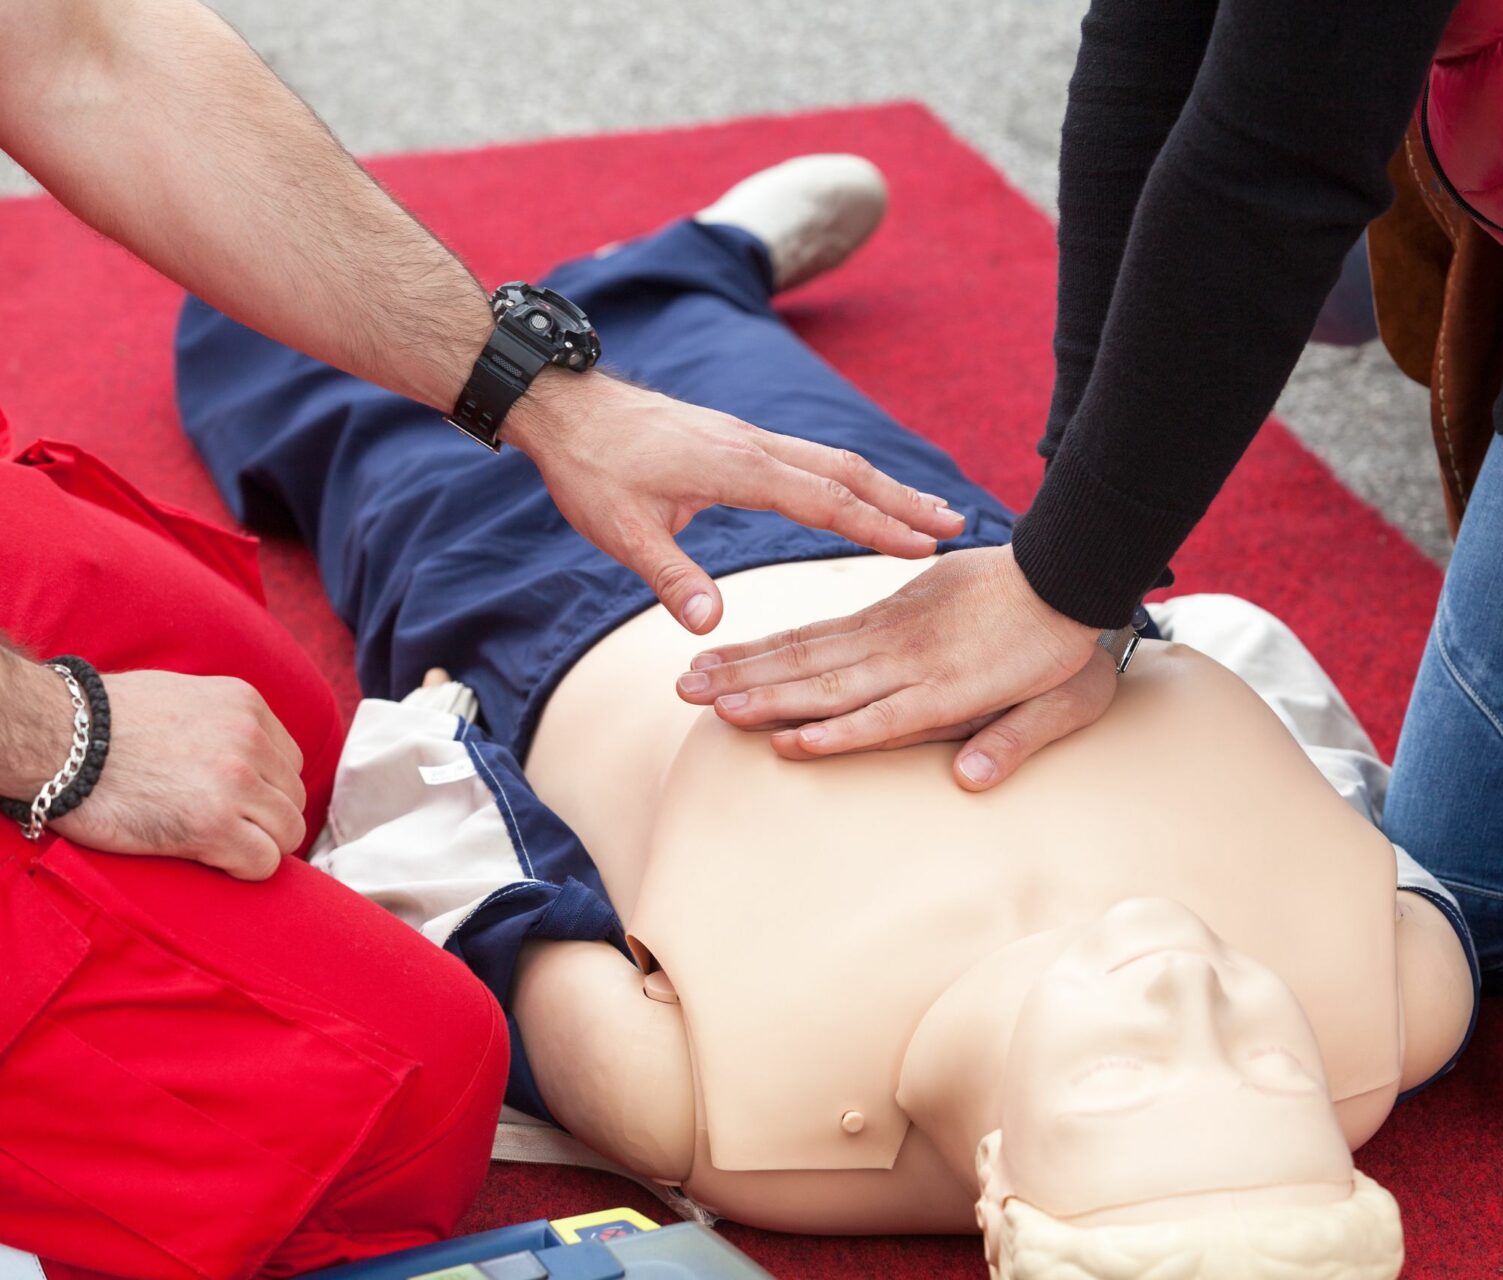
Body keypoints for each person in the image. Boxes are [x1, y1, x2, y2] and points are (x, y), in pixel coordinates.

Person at [176, 157, 1478, 1278]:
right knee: (778, 409)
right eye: (1269, 1073)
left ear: (999, 1183)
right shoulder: (1398, 1005)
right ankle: (693, 266)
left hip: (585, 616)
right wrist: (1137, 619)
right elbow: (1295, 731)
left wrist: (458, 719)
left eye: (1125, 1081)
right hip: (964, 577)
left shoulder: (725, 1112)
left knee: (357, 416)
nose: (1185, 998)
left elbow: (477, 874)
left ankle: (302, 285)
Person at [680, 0, 1503, 1174]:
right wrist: (1075, 542)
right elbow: (1148, 65)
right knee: (1451, 906)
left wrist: (1062, 588)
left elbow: (1273, 165)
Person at [0, 1, 952, 1273]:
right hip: (632, 625)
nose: (1176, 993)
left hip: (655, 616)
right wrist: (67, 733)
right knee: (390, 1112)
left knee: (295, 722)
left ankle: (622, 298)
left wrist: (542, 394)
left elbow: (81, 53)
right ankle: (680, 272)